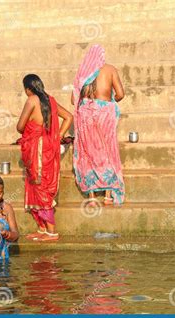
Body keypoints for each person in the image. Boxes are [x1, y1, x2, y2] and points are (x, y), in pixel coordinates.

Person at [17, 74, 73, 241]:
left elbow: (20, 127)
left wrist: (33, 131)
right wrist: (58, 136)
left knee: (40, 186)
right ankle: (41, 228)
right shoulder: (51, 100)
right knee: (38, 184)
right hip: (48, 147)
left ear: (28, 88)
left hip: (37, 149)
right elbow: (69, 117)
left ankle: (51, 231)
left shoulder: (32, 100)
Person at [71, 44, 125, 206]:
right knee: (107, 150)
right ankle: (108, 195)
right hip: (105, 114)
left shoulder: (84, 71)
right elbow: (121, 94)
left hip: (86, 114)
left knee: (88, 152)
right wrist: (109, 102)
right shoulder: (110, 69)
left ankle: (92, 197)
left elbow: (74, 100)